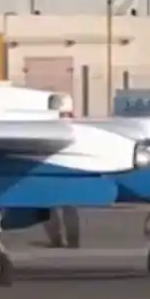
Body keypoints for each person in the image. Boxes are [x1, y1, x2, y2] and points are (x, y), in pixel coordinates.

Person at [43, 103, 82, 248]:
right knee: (69, 208)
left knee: (49, 208)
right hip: (69, 171)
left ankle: (56, 240)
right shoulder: (75, 128)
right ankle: (73, 241)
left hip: (52, 170)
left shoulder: (48, 127)